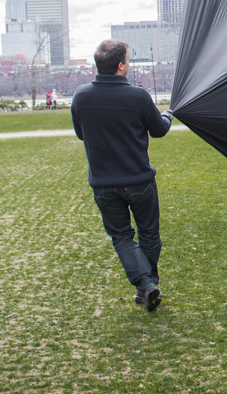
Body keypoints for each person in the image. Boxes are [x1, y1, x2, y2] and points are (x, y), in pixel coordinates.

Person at [71, 39, 174, 312]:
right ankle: (148, 283)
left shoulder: (81, 96)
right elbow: (159, 130)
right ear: (120, 66)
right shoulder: (138, 96)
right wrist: (168, 115)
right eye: (128, 59)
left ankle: (146, 286)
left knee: (122, 237)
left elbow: (81, 133)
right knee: (149, 234)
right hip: (139, 180)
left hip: (103, 184)